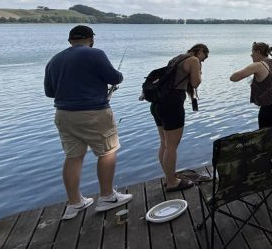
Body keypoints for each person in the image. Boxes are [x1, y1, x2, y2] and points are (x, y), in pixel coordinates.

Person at [44, 25, 132, 220]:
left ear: (70, 41)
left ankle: (75, 203)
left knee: (73, 156)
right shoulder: (95, 54)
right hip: (93, 113)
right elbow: (114, 77)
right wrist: (118, 76)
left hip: (63, 115)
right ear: (91, 39)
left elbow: (50, 92)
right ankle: (107, 196)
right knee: (108, 151)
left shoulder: (54, 60)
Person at [148, 43, 208, 192]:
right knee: (172, 146)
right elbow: (195, 83)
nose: (204, 60)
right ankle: (172, 182)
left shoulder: (177, 58)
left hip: (158, 104)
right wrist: (199, 72)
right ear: (200, 50)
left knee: (164, 144)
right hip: (172, 104)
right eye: (204, 56)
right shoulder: (193, 60)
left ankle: (169, 177)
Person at [230, 41, 272, 128]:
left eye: (252, 52)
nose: (251, 55)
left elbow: (233, 78)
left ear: (258, 52)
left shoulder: (258, 65)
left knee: (264, 133)